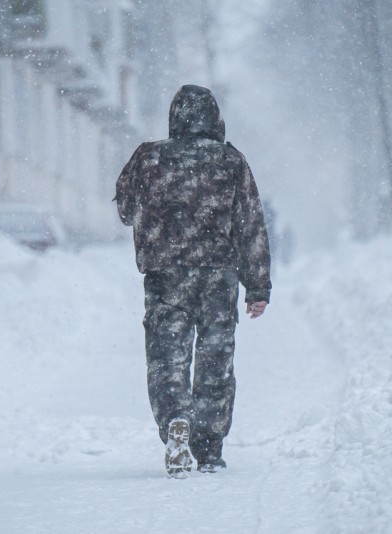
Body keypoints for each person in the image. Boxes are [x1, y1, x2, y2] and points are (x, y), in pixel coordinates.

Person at [115, 84, 272, 478]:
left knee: (168, 355)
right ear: (215, 119)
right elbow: (250, 224)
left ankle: (175, 421)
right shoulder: (231, 161)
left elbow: (125, 209)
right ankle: (209, 446)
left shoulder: (148, 157)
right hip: (218, 276)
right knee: (215, 359)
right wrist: (257, 287)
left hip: (165, 274)